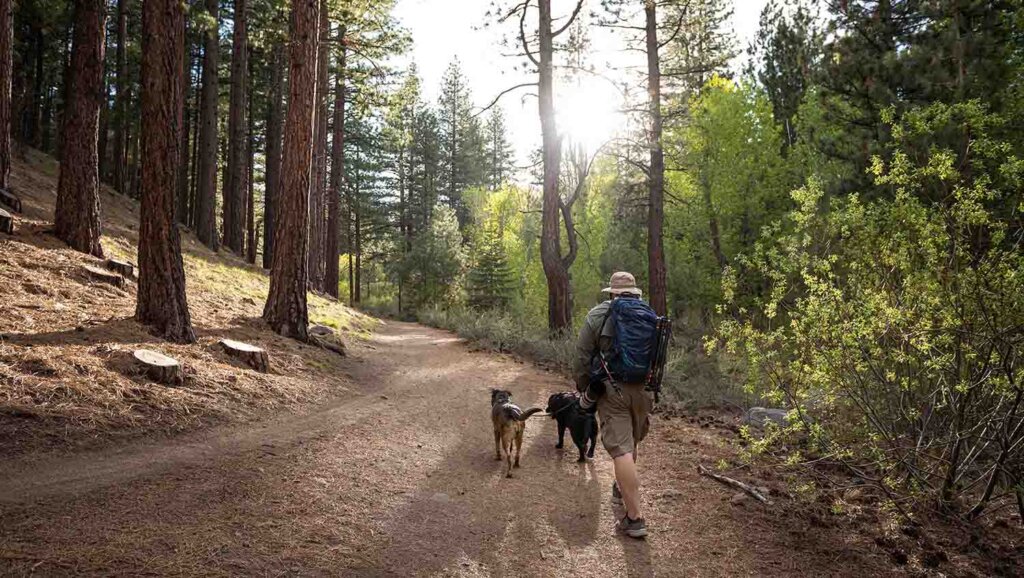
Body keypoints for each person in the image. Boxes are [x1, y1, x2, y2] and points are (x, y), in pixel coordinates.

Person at [573, 271, 652, 539]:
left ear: (612, 293)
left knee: (621, 450)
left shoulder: (598, 314)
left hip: (612, 389)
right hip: (644, 390)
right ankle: (623, 488)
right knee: (631, 442)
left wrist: (584, 387)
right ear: (635, 292)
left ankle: (635, 518)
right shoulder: (648, 315)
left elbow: (582, 354)